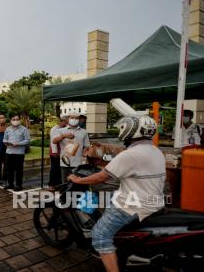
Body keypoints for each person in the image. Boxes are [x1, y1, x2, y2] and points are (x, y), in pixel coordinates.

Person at [68, 115, 165, 272]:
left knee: (99, 235)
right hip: (154, 202)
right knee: (111, 197)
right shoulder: (155, 151)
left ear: (130, 131)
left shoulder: (130, 155)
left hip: (132, 206)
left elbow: (102, 176)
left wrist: (78, 180)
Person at [52, 111, 90, 184]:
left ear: (79, 119)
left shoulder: (84, 132)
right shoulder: (60, 130)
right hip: (65, 162)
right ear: (67, 119)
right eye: (72, 117)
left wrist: (84, 155)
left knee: (77, 185)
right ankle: (65, 195)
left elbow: (87, 146)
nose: (74, 119)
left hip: (78, 163)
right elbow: (54, 141)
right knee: (65, 184)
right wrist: (63, 136)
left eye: (76, 118)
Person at [3, 114, 30, 191]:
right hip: (9, 152)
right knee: (9, 169)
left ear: (19, 120)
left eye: (17, 119)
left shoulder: (24, 129)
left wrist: (18, 143)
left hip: (19, 153)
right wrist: (6, 143)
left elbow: (27, 140)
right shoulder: (8, 129)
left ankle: (18, 185)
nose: (15, 121)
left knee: (18, 170)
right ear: (11, 120)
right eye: (13, 119)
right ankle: (10, 184)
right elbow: (4, 139)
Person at [48, 114, 68, 190]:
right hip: (55, 152)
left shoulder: (64, 129)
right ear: (62, 121)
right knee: (54, 168)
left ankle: (58, 184)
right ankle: (51, 184)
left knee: (60, 169)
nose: (67, 123)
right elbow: (53, 142)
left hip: (62, 152)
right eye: (66, 122)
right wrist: (55, 152)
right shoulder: (55, 129)